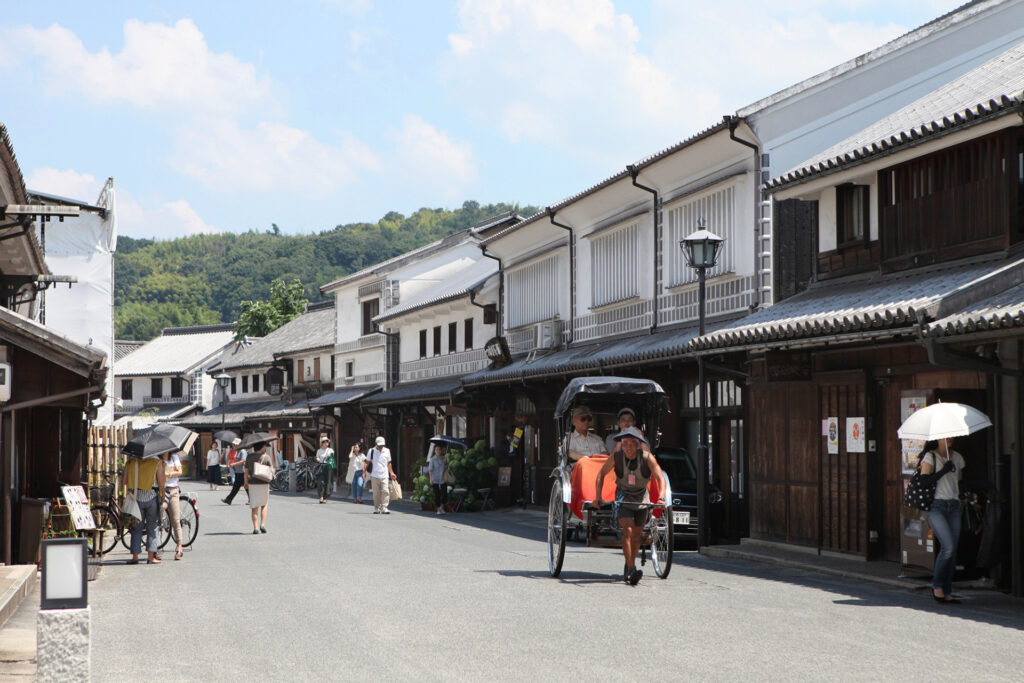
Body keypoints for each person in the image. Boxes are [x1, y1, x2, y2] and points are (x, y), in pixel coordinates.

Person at [594, 426, 668, 586]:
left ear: (638, 444)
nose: (628, 447)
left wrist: (661, 497)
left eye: (632, 444)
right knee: (627, 531)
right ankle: (632, 568)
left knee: (636, 536)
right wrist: (598, 496)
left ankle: (629, 565)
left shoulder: (647, 458)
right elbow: (601, 474)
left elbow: (660, 477)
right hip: (624, 496)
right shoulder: (616, 457)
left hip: (642, 498)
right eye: (625, 443)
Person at [919, 438, 966, 603]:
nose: (950, 439)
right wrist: (943, 471)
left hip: (954, 505)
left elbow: (959, 479)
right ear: (938, 438)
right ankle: (937, 585)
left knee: (952, 551)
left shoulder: (958, 457)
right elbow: (924, 482)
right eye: (946, 436)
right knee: (948, 546)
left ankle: (947, 590)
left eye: (952, 435)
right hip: (935, 506)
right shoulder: (930, 457)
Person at [124, 454, 166, 565]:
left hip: (136, 499)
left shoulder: (130, 463)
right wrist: (163, 498)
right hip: (151, 497)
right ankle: (151, 557)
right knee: (152, 526)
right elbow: (162, 483)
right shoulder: (156, 463)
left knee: (136, 528)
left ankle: (135, 556)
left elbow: (124, 481)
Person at [244, 441, 273, 534]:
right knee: (264, 504)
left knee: (254, 506)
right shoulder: (267, 457)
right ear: (262, 447)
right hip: (264, 482)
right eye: (265, 446)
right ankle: (262, 525)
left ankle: (255, 527)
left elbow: (246, 471)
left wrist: (246, 482)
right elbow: (271, 470)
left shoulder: (249, 457)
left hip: (253, 483)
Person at [161, 450, 185, 560]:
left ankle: (179, 546)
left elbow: (180, 472)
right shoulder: (158, 459)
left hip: (173, 490)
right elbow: (159, 474)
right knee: (158, 520)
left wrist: (168, 473)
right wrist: (173, 472)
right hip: (161, 491)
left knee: (176, 519)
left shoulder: (174, 457)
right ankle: (154, 549)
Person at [365, 435, 397, 514]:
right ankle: (377, 507)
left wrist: (391, 472)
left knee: (385, 491)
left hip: (384, 475)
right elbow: (367, 462)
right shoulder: (371, 451)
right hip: (374, 475)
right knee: (376, 493)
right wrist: (363, 472)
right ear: (376, 444)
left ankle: (384, 507)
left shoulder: (387, 451)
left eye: (382, 445)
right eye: (379, 445)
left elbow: (389, 463)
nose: (381, 447)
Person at [222, 439, 247, 505]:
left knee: (246, 486)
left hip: (243, 472)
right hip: (238, 472)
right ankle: (229, 499)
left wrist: (234, 464)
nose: (234, 446)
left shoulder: (242, 451)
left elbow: (243, 461)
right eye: (233, 444)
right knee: (235, 487)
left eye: (235, 445)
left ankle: (252, 500)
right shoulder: (237, 451)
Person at [427, 444, 449, 515]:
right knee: (437, 494)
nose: (438, 451)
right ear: (434, 451)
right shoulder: (432, 459)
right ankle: (438, 509)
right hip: (435, 479)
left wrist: (446, 464)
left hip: (443, 479)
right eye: (437, 450)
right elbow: (430, 469)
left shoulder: (444, 458)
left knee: (445, 494)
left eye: (439, 449)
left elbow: (447, 469)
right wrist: (431, 479)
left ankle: (441, 507)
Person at [316, 436, 336, 504]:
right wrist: (317, 459)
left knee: (328, 482)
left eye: (327, 441)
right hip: (322, 466)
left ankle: (325, 497)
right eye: (324, 442)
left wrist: (330, 455)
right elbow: (317, 458)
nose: (326, 443)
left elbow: (333, 457)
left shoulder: (330, 450)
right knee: (321, 482)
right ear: (322, 443)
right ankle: (321, 496)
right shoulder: (319, 451)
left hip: (328, 467)